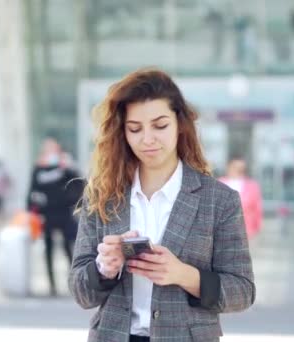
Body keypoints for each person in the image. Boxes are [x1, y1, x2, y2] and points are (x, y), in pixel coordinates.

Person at [69, 68, 255, 341]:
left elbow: (243, 291)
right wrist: (104, 268)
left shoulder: (219, 200)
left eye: (160, 125)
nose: (147, 139)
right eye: (135, 129)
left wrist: (183, 275)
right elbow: (79, 291)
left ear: (180, 124)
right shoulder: (102, 195)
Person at [27, 138, 84, 296]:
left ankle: (75, 283)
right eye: (48, 150)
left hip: (64, 212)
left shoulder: (65, 168)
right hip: (47, 214)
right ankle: (52, 286)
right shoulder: (38, 169)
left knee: (69, 248)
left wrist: (69, 167)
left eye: (54, 149)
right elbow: (31, 191)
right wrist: (31, 212)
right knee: (49, 249)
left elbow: (78, 185)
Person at [219, 158, 263, 239]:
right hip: (222, 232)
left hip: (246, 231)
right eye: (236, 167)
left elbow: (257, 208)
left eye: (242, 168)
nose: (239, 170)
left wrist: (257, 227)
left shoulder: (252, 185)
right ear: (228, 167)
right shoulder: (219, 183)